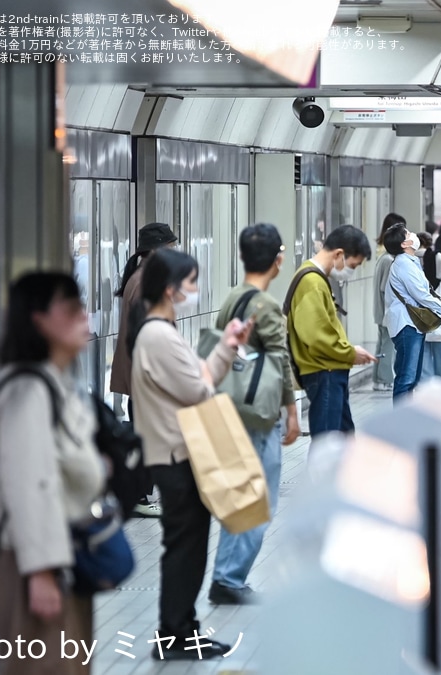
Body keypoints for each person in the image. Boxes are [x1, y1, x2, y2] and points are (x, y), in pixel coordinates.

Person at [129, 249, 253, 660]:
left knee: (188, 545)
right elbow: (199, 389)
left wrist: (228, 346)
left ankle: (182, 629)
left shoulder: (163, 331)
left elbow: (201, 377)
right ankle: (176, 634)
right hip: (175, 456)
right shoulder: (158, 336)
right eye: (192, 283)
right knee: (185, 547)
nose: (196, 291)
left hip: (179, 454)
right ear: (170, 289)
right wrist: (208, 369)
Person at [0, 272, 105, 675]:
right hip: (30, 564)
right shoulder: (26, 392)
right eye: (70, 310)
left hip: (59, 559)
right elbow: (30, 485)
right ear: (37, 320)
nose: (83, 317)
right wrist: (41, 572)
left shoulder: (52, 383)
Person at [208, 224, 300, 605]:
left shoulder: (232, 296)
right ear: (278, 261)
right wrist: (292, 410)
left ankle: (227, 576)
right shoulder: (265, 305)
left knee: (241, 493)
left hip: (229, 405)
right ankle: (229, 578)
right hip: (258, 413)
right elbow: (279, 359)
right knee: (258, 497)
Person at [110, 222, 178, 518]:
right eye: (172, 249)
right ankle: (138, 494)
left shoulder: (141, 277)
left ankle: (140, 492)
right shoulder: (147, 282)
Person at [286, 225, 377, 436]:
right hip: (324, 371)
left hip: (329, 370)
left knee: (341, 440)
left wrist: (348, 351)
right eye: (353, 265)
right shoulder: (311, 282)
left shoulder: (315, 279)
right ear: (339, 254)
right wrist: (349, 353)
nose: (351, 271)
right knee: (328, 444)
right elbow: (317, 336)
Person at [384, 226, 441, 401]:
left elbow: (426, 290)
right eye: (408, 233)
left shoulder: (410, 262)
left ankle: (406, 419)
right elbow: (421, 295)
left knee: (412, 377)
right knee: (407, 378)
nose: (412, 235)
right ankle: (401, 421)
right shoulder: (403, 265)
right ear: (404, 243)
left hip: (412, 325)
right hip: (406, 325)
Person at [373, 213, 407, 392]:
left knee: (383, 344)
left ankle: (378, 378)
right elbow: (386, 289)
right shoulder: (388, 260)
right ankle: (384, 379)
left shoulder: (385, 257)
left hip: (383, 311)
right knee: (387, 345)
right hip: (386, 311)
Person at [419, 231, 441, 380]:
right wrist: (438, 296)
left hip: (417, 308)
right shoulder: (436, 256)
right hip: (438, 306)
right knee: (440, 351)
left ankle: (425, 383)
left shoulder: (408, 259)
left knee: (423, 350)